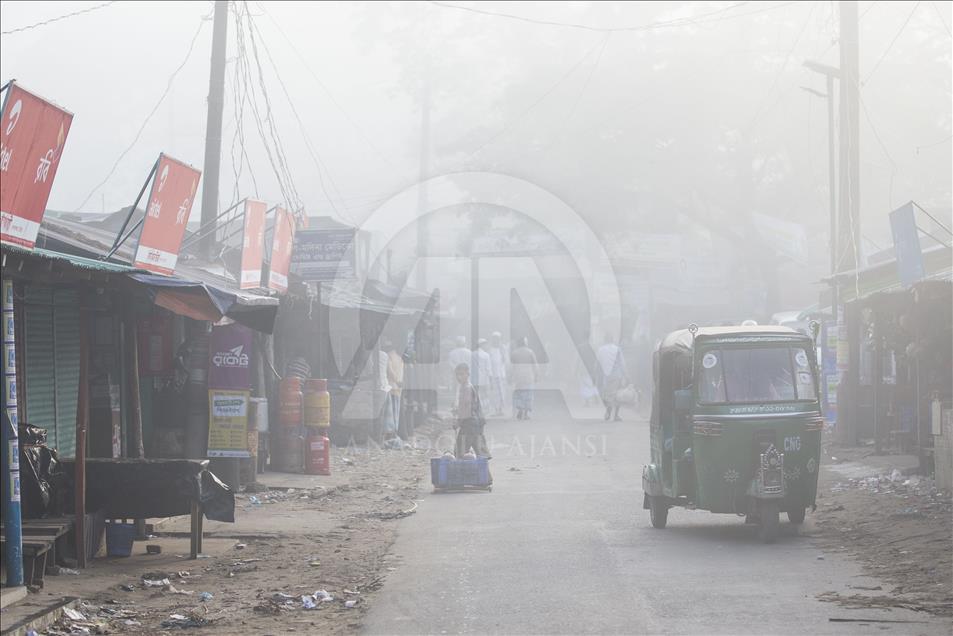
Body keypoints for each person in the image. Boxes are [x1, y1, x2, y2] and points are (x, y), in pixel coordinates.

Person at [452, 363, 491, 459]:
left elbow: (467, 408)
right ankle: (483, 469)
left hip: (469, 424)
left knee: (459, 452)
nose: (459, 377)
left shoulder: (467, 388)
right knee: (481, 454)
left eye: (462, 374)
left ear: (468, 374)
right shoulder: (466, 387)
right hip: (476, 423)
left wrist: (458, 422)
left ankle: (460, 469)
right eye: (457, 375)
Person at [597, 334, 627, 421]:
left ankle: (608, 412)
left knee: (607, 394)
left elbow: (598, 363)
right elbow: (622, 363)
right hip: (617, 375)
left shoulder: (600, 350)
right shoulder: (617, 349)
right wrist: (626, 375)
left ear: (605, 340)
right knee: (617, 395)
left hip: (606, 376)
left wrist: (597, 375)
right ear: (612, 340)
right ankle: (616, 415)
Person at [510, 337, 538, 420]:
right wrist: (536, 375)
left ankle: (520, 409)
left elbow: (511, 366)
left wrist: (510, 377)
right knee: (528, 394)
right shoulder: (530, 352)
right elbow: (535, 365)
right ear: (525, 343)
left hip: (518, 376)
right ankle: (525, 414)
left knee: (519, 393)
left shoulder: (514, 353)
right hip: (528, 376)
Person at [385, 339, 404, 440]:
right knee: (396, 411)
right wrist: (399, 382)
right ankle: (395, 431)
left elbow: (390, 371)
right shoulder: (399, 358)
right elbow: (401, 373)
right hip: (398, 388)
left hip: (391, 387)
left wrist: (396, 380)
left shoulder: (388, 356)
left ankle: (390, 433)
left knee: (390, 412)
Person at [488, 332, 508, 416]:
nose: (496, 340)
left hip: (502, 374)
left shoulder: (503, 348)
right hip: (493, 375)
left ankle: (501, 409)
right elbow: (489, 363)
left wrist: (502, 351)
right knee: (495, 393)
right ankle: (496, 409)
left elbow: (505, 361)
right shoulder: (490, 350)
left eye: (498, 339)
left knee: (502, 392)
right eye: (495, 338)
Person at [472, 338, 492, 413]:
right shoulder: (486, 355)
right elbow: (488, 368)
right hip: (484, 378)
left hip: (474, 378)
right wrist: (490, 379)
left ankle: (477, 408)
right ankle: (485, 409)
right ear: (482, 345)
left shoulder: (472, 354)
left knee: (476, 394)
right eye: (485, 344)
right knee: (485, 394)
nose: (486, 346)